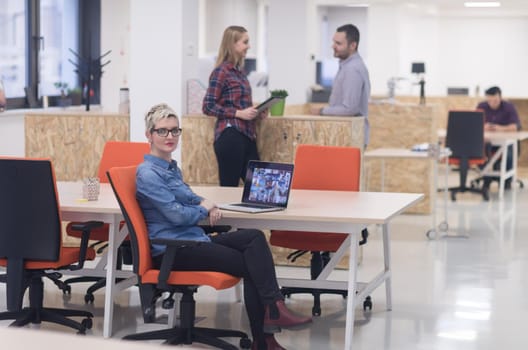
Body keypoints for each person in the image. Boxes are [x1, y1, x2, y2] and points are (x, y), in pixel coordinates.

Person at [136, 103, 311, 350]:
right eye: (162, 131)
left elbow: (186, 195)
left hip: (193, 239)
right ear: (149, 135)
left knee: (254, 238)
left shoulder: (170, 168)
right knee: (253, 266)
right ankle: (266, 337)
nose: (170, 137)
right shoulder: (148, 174)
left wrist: (204, 202)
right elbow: (175, 216)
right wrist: (203, 209)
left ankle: (274, 311)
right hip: (173, 250)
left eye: (175, 131)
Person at [203, 25, 267, 187]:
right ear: (233, 44)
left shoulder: (240, 72)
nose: (249, 46)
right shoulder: (221, 72)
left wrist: (257, 111)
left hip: (247, 135)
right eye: (245, 42)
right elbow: (208, 106)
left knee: (258, 188)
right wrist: (238, 113)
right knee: (228, 188)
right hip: (230, 136)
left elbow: (240, 104)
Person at [311, 23, 371, 146]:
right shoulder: (347, 66)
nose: (333, 46)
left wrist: (322, 111)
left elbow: (350, 109)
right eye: (334, 42)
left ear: (353, 45)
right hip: (347, 135)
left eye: (339, 44)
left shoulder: (352, 69)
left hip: (351, 136)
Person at [476, 86, 521, 189]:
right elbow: (474, 123)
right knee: (477, 152)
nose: (492, 103)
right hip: (488, 143)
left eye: (495, 100)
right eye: (489, 100)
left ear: (500, 97)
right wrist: (484, 126)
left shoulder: (509, 107)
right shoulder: (481, 106)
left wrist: (500, 128)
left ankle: (506, 180)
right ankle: (486, 177)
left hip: (506, 143)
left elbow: (516, 126)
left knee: (509, 155)